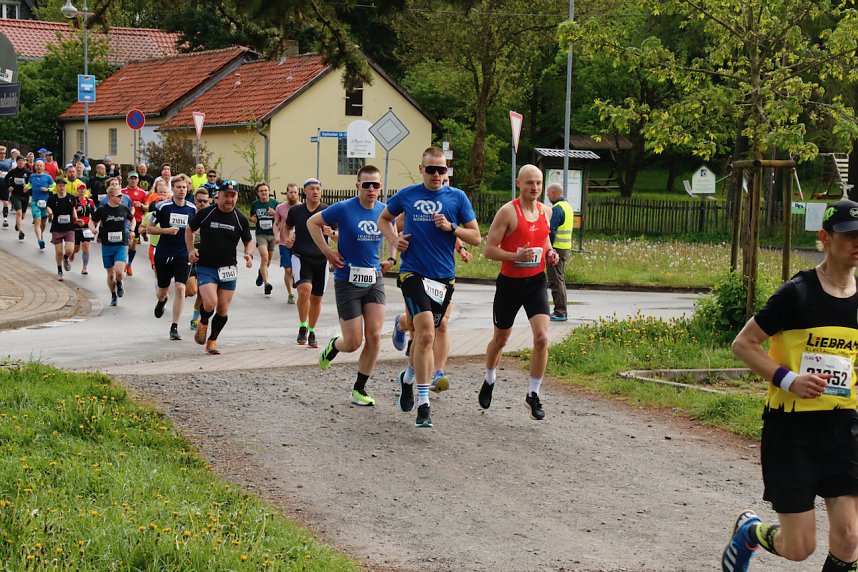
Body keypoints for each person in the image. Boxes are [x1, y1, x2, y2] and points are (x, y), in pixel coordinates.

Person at [721, 199, 858, 572]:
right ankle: (751, 531)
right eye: (848, 236)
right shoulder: (797, 293)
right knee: (799, 548)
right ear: (825, 238)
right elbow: (743, 344)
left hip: (843, 427)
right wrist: (789, 379)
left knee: (849, 537)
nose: (856, 243)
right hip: (791, 430)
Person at [378, 146, 481, 428]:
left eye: (441, 169)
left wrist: (452, 228)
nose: (436, 174)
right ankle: (424, 405)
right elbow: (383, 219)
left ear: (446, 171)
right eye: (431, 169)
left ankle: (408, 378)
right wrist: (394, 240)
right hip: (412, 273)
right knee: (424, 333)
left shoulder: (457, 197)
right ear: (421, 169)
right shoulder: (408, 194)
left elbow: (476, 237)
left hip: (443, 278)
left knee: (425, 334)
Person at [479, 165, 558, 420]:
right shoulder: (507, 212)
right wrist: (516, 256)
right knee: (500, 340)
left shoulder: (547, 211)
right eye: (529, 183)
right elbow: (488, 250)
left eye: (538, 183)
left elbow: (545, 239)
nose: (534, 188)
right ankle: (490, 378)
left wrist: (549, 252)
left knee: (542, 339)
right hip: (510, 284)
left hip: (536, 282)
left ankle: (533, 394)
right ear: (518, 183)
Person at [312, 165, 396, 406]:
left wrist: (391, 259)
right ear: (357, 185)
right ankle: (334, 345)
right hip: (347, 280)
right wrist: (328, 251)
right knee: (352, 343)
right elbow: (311, 223)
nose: (371, 189)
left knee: (375, 336)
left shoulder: (383, 211)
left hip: (374, 279)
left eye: (376, 185)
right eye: (366, 184)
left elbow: (393, 232)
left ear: (381, 188)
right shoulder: (343, 208)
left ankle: (359, 388)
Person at [185, 181, 253, 355]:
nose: (230, 199)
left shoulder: (240, 218)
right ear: (219, 195)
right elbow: (189, 230)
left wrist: (248, 254)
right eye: (227, 195)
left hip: (228, 268)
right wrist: (191, 250)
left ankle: (212, 341)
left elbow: (248, 240)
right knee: (210, 302)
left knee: (222, 308)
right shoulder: (206, 213)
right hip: (207, 265)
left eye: (233, 196)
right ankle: (204, 322)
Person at [285, 178, 336, 348]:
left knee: (316, 299)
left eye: (318, 189)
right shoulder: (296, 211)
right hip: (301, 256)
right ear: (304, 191)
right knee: (305, 290)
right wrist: (287, 238)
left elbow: (338, 232)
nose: (315, 192)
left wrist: (332, 232)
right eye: (312, 189)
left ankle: (312, 330)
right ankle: (302, 326)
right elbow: (287, 227)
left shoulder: (328, 211)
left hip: (321, 259)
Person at [148, 174, 196, 341]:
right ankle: (162, 301)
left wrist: (194, 248)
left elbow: (194, 230)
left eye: (184, 187)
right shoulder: (163, 207)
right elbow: (149, 228)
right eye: (178, 187)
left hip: (183, 253)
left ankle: (174, 326)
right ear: (173, 189)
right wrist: (166, 231)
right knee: (162, 291)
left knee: (181, 288)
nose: (182, 190)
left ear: (188, 188)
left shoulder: (192, 208)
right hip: (164, 253)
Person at [90, 184, 134, 306]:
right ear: (110, 196)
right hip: (107, 245)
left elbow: (132, 219)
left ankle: (119, 283)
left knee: (119, 272)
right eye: (118, 196)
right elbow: (91, 221)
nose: (121, 197)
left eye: (121, 195)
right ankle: (113, 295)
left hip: (121, 243)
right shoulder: (102, 210)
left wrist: (131, 230)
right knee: (110, 274)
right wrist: (93, 229)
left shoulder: (124, 208)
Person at [546, 182, 573, 321]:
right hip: (564, 247)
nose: (547, 196)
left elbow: (551, 230)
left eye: (548, 193)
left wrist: (549, 248)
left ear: (554, 193)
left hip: (556, 249)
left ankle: (560, 312)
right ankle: (560, 311)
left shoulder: (557, 208)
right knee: (558, 279)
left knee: (556, 280)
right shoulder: (567, 206)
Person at [45, 177, 79, 281]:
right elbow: (48, 207)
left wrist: (76, 219)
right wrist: (49, 213)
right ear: (57, 187)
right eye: (60, 186)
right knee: (58, 251)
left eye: (63, 186)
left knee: (69, 249)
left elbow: (73, 209)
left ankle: (65, 258)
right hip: (57, 227)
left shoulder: (71, 198)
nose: (62, 188)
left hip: (69, 227)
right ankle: (60, 270)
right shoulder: (52, 198)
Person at [249, 182, 279, 296]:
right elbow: (251, 216)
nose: (264, 193)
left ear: (268, 191)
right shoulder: (255, 204)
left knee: (268, 260)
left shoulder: (275, 203)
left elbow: (282, 217)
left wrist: (275, 213)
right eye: (261, 191)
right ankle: (267, 284)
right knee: (264, 257)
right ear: (258, 193)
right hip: (261, 234)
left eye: (266, 190)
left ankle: (261, 273)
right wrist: (252, 219)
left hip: (272, 234)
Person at [187, 189, 211, 330]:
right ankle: (179, 298)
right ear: (194, 200)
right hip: (188, 255)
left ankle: (194, 319)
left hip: (205, 256)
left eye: (205, 201)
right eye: (200, 200)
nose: (202, 203)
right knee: (191, 290)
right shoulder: (188, 213)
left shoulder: (211, 216)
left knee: (202, 293)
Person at [273, 182, 301, 304]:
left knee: (296, 270)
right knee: (288, 270)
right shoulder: (280, 207)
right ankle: (290, 294)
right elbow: (276, 223)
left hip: (298, 243)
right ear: (287, 193)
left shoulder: (302, 207)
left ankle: (295, 278)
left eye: (295, 192)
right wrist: (276, 235)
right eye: (291, 192)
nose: (293, 194)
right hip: (284, 243)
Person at [121, 172, 148, 276]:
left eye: (135, 179)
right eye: (131, 178)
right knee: (127, 243)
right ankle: (123, 264)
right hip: (125, 221)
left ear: (138, 180)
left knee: (133, 246)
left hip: (137, 221)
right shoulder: (123, 192)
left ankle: (129, 265)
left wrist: (140, 205)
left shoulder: (142, 192)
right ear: (127, 179)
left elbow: (147, 207)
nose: (133, 180)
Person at [27, 159, 55, 250]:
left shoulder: (48, 177)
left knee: (43, 222)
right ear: (35, 167)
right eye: (37, 165)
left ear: (43, 167)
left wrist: (48, 189)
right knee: (37, 221)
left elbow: (54, 186)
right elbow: (30, 185)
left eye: (40, 165)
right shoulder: (32, 176)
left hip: (45, 203)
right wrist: (26, 187)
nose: (38, 167)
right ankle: (39, 240)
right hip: (35, 201)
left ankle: (41, 234)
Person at [71, 180, 96, 275]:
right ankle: (72, 252)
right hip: (76, 225)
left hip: (87, 226)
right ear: (77, 190)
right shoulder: (74, 200)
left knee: (86, 246)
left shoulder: (90, 201)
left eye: (83, 189)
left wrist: (95, 224)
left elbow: (94, 214)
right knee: (77, 248)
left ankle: (84, 267)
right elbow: (70, 213)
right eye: (80, 189)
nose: (81, 191)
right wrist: (77, 210)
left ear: (86, 190)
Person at [5, 155, 30, 240]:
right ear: (16, 162)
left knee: (22, 216)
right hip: (15, 195)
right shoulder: (13, 171)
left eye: (23, 161)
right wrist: (9, 186)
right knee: (18, 213)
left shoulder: (28, 172)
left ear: (25, 162)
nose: (21, 162)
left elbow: (31, 183)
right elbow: (5, 179)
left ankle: (18, 224)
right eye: (19, 161)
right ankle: (21, 232)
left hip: (25, 196)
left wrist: (28, 186)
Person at [0, 146, 12, 227]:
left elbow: (11, 173)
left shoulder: (9, 162)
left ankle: (5, 219)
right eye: (0, 153)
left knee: (5, 202)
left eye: (4, 153)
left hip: (5, 184)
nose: (2, 155)